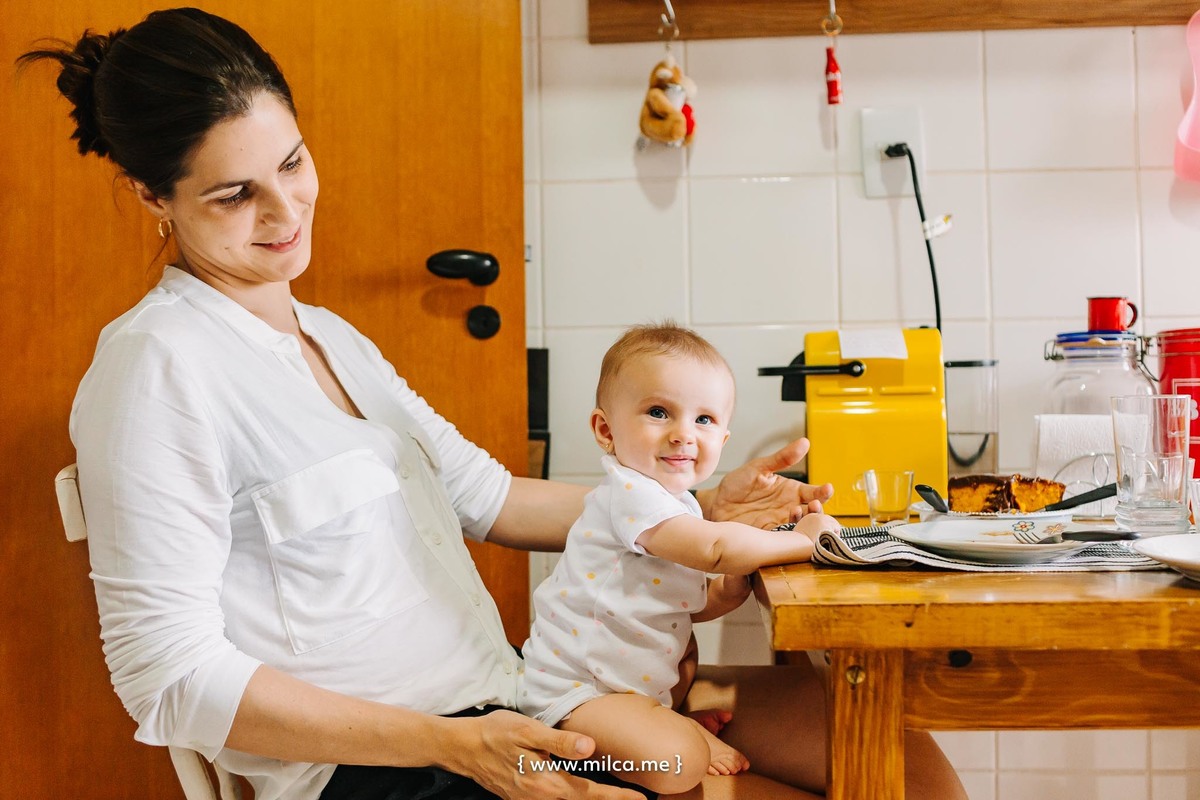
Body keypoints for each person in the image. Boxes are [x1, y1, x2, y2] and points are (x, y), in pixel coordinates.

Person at [19, 8, 967, 800]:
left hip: (521, 694)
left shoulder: (329, 338)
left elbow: (496, 500)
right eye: (235, 195)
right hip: (395, 767)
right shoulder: (154, 370)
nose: (286, 212)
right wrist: (449, 745)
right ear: (151, 194)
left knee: (893, 755)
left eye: (294, 164)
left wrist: (688, 507)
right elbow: (168, 681)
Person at [519, 324, 841, 794]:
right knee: (676, 766)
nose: (682, 435)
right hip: (578, 695)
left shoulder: (678, 504)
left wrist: (730, 586)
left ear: (723, 439)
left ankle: (665, 716)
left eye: (704, 420)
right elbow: (716, 549)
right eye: (658, 412)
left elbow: (686, 603)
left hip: (627, 684)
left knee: (685, 653)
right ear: (606, 430)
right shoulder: (630, 495)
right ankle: (678, 732)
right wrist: (804, 541)